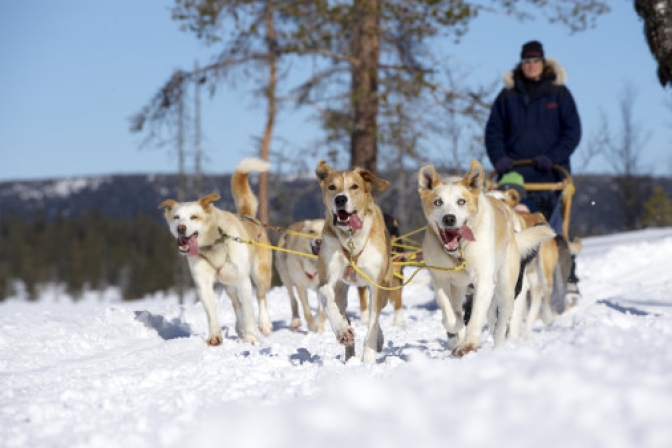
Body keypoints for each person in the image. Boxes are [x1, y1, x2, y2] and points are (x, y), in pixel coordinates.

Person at [485, 40, 582, 304]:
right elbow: (493, 132)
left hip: (550, 173)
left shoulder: (559, 93)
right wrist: (500, 159)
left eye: (535, 61)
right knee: (510, 223)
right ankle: (505, 278)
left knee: (552, 227)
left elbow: (572, 132)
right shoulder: (507, 95)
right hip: (514, 174)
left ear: (543, 62)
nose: (530, 66)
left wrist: (552, 157)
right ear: (521, 64)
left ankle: (567, 277)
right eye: (526, 61)